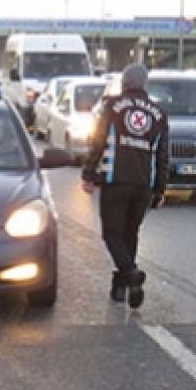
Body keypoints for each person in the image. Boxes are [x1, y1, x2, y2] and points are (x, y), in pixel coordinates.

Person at [80, 63, 170, 308]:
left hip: (115, 180)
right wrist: (160, 190)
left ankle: (130, 274)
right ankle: (121, 287)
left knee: (111, 234)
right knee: (130, 234)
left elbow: (98, 141)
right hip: (142, 184)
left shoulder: (112, 106)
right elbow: (163, 156)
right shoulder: (159, 114)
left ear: (124, 82)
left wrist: (88, 173)